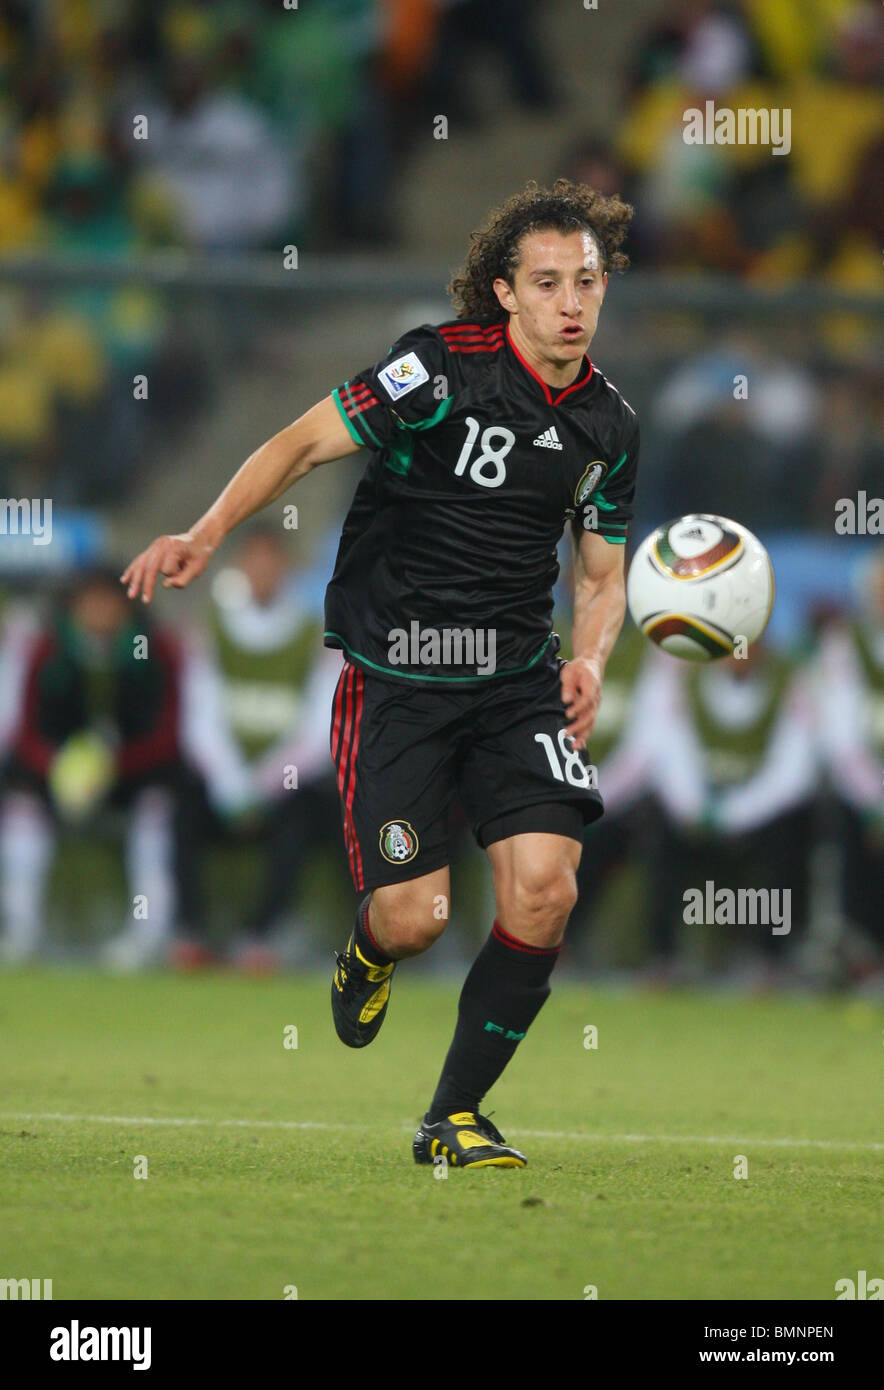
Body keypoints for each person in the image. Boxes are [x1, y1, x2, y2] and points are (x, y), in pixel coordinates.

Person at [122, 179, 639, 1169]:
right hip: (398, 678)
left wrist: (589, 657)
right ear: (505, 293)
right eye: (547, 283)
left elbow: (601, 572)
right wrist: (205, 531)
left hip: (516, 682)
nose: (571, 301)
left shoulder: (609, 427)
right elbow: (302, 443)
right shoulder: (436, 368)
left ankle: (453, 1116)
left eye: (586, 280)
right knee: (417, 919)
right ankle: (367, 950)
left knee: (545, 889)